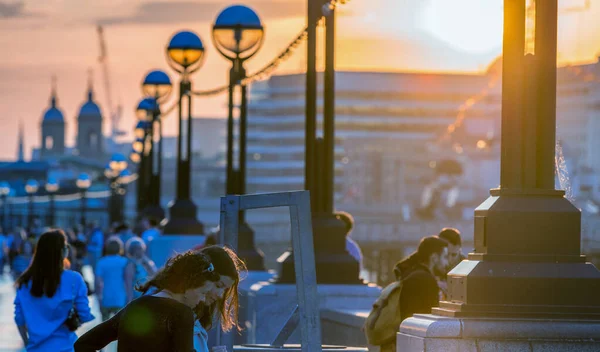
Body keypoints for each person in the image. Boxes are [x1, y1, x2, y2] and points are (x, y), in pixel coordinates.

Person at [74, 245, 246, 352]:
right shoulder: (182, 313)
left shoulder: (136, 305)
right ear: (188, 285)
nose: (202, 300)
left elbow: (83, 344)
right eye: (202, 292)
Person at [14, 229, 94, 352]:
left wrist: (27, 343)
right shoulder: (74, 279)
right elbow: (85, 315)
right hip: (65, 346)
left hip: (36, 348)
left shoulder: (25, 281)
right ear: (62, 252)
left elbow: (19, 319)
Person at [399, 236, 448, 322]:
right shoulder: (427, 280)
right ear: (434, 258)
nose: (446, 263)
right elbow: (432, 322)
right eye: (445, 257)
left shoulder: (411, 273)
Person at [95, 237, 132, 321]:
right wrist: (129, 297)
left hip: (106, 298)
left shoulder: (101, 262)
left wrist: (99, 299)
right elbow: (128, 281)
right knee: (120, 325)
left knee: (104, 327)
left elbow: (98, 283)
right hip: (121, 298)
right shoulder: (125, 262)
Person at [436, 227, 464, 300]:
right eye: (446, 255)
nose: (449, 260)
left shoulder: (468, 269)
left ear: (460, 250)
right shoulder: (432, 265)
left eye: (453, 255)